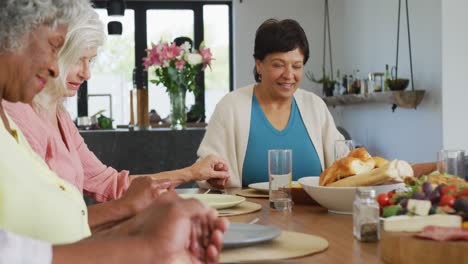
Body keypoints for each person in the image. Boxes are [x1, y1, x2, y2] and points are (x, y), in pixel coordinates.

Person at [0, 0, 227, 263]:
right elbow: (29, 238)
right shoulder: (17, 111)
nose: (86, 73)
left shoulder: (55, 117)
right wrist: (137, 230)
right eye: (72, 57)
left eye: (91, 61)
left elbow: (101, 190)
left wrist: (142, 227)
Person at [197, 18, 344, 188]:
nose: (289, 75)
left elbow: (343, 164)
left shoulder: (315, 106)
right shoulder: (231, 106)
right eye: (278, 65)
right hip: (249, 213)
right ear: (259, 65)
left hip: (316, 214)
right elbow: (205, 170)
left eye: (297, 66)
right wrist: (214, 177)